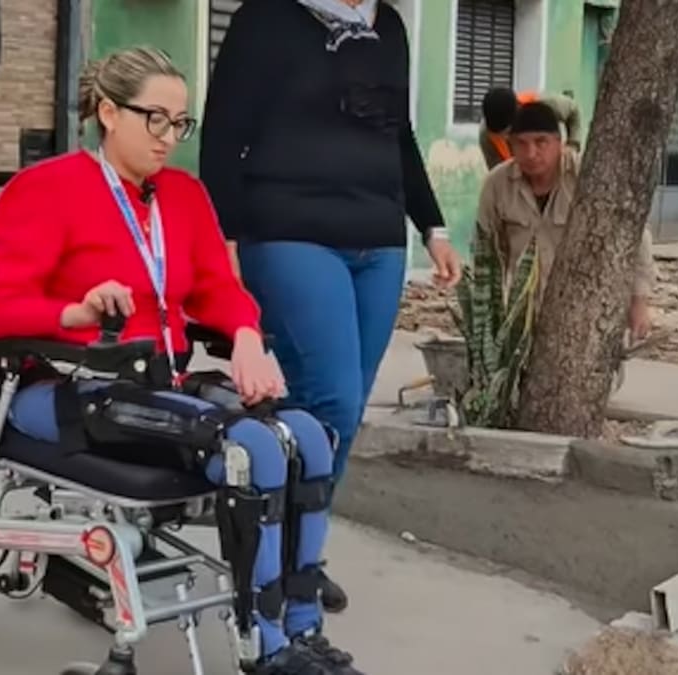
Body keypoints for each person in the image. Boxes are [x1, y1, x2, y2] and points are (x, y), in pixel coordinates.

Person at [0, 47, 362, 675]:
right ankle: (262, 648)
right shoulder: (44, 190)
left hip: (165, 381)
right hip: (75, 387)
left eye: (180, 123)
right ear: (107, 111)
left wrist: (245, 336)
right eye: (156, 118)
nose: (170, 138)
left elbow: (217, 288)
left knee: (310, 436)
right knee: (253, 451)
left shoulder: (182, 196)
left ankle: (301, 628)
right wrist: (74, 313)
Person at [199, 0, 461, 611]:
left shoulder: (386, 25)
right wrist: (226, 239)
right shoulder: (266, 18)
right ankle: (277, 563)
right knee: (332, 402)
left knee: (339, 417)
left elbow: (398, 134)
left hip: (378, 243)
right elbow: (224, 131)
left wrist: (433, 226)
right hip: (292, 231)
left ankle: (297, 553)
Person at [475, 102, 655, 341]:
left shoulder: (589, 176)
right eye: (521, 144)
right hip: (523, 316)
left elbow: (636, 237)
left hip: (588, 310)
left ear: (559, 143)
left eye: (541, 142)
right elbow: (486, 250)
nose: (531, 153)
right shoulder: (496, 184)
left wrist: (639, 302)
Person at [479, 87, 582, 170]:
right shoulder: (486, 135)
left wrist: (573, 144)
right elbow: (497, 173)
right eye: (500, 135)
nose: (506, 138)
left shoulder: (543, 105)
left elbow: (573, 110)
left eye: (508, 131)